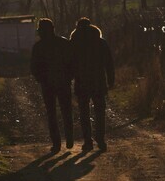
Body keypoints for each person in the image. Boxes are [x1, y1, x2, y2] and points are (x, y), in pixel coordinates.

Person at [69, 17, 115, 153]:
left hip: (81, 81)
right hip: (98, 81)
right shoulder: (100, 42)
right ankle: (100, 138)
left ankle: (87, 141)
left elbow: (70, 63)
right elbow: (109, 63)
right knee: (100, 111)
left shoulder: (74, 43)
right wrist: (111, 80)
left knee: (84, 112)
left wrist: (69, 78)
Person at [30, 18, 74, 154]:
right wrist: (69, 77)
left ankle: (56, 143)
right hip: (63, 82)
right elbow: (72, 63)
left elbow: (34, 67)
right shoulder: (64, 43)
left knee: (51, 114)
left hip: (47, 84)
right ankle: (69, 138)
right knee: (66, 111)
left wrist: (41, 79)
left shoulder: (38, 47)